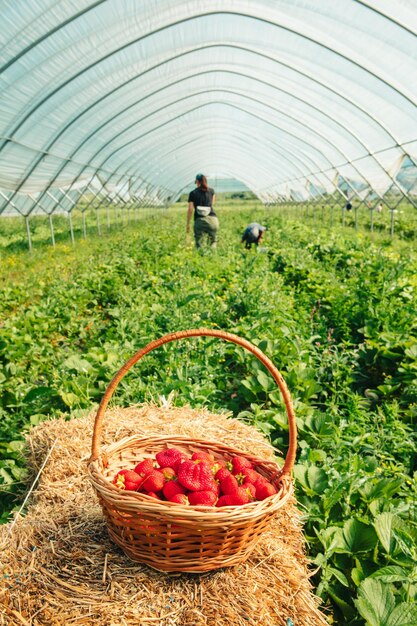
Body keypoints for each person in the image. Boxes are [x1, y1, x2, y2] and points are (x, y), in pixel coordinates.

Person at [186, 174, 218, 248]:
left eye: (196, 182)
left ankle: (200, 257)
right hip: (213, 220)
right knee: (213, 241)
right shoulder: (211, 191)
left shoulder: (193, 193)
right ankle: (213, 258)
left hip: (199, 220)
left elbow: (190, 209)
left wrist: (188, 224)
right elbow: (212, 204)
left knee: (199, 243)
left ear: (197, 181)